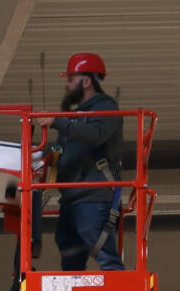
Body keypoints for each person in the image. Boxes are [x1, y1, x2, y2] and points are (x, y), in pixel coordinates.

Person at [46, 51, 124, 269]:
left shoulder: (106, 109)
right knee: (70, 258)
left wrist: (57, 122)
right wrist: (39, 154)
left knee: (105, 256)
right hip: (72, 200)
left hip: (93, 197)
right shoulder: (72, 119)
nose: (67, 85)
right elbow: (61, 150)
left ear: (87, 81)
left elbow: (95, 134)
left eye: (71, 79)